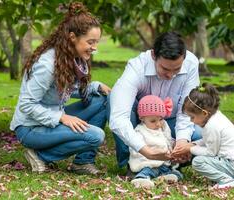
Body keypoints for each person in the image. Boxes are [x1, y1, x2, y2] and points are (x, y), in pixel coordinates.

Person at [10, 2, 111, 175]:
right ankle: (41, 156)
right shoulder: (47, 65)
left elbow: (67, 90)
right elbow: (26, 105)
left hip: (53, 118)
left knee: (102, 100)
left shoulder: (71, 58)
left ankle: (83, 162)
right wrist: (62, 117)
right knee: (96, 136)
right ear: (72, 37)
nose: (95, 48)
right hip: (30, 128)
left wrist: (95, 86)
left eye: (96, 42)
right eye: (90, 42)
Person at [109, 31, 201, 173]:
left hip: (171, 122)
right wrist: (145, 151)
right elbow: (118, 118)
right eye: (165, 69)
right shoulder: (136, 68)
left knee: (202, 136)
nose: (170, 75)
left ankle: (171, 163)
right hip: (142, 125)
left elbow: (187, 107)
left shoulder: (191, 63)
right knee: (113, 98)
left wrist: (183, 141)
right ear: (153, 55)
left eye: (176, 69)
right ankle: (132, 164)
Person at [178, 83, 234, 189]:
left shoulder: (212, 126)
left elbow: (211, 153)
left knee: (198, 162)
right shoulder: (215, 117)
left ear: (204, 113)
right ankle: (225, 177)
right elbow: (207, 141)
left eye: (192, 117)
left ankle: (227, 180)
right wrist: (193, 144)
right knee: (199, 155)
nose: (191, 121)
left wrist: (190, 148)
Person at [129, 95, 183, 188]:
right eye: (153, 121)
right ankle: (142, 178)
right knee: (148, 170)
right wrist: (151, 156)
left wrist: (173, 148)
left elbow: (168, 140)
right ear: (142, 118)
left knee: (174, 172)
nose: (158, 124)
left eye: (161, 119)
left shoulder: (164, 126)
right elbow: (135, 150)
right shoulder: (140, 131)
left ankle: (163, 177)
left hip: (163, 163)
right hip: (148, 163)